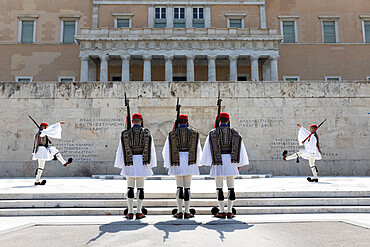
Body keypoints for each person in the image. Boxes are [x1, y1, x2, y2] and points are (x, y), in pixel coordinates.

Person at [201, 112, 249, 218]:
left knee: (219, 188)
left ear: (219, 120)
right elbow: (241, 149)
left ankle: (222, 211)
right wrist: (239, 163)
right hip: (231, 162)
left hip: (218, 162)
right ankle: (230, 211)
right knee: (231, 187)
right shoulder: (235, 133)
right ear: (228, 120)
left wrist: (208, 162)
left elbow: (208, 150)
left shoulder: (213, 133)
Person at [114, 113, 157, 219]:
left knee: (130, 187)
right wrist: (151, 164)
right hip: (142, 162)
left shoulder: (125, 133)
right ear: (141, 121)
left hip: (129, 162)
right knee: (140, 188)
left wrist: (120, 164)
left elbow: (121, 150)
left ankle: (129, 212)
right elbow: (151, 149)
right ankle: (138, 211)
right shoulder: (146, 133)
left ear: (132, 121)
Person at [162, 114, 202, 219]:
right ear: (187, 122)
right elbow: (198, 150)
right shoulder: (194, 133)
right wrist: (197, 163)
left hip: (177, 162)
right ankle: (188, 211)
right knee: (187, 188)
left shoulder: (172, 134)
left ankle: (179, 211)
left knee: (179, 187)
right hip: (190, 161)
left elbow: (166, 151)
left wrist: (168, 164)